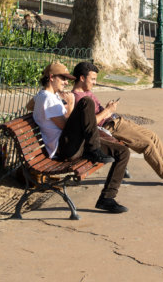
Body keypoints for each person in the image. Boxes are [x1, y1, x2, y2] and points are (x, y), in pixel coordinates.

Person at [71, 61, 163, 187]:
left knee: (153, 136)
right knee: (146, 145)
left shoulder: (86, 92)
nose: (95, 82)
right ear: (82, 78)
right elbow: (90, 123)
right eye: (92, 79)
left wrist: (108, 109)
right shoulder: (77, 98)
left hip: (117, 121)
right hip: (110, 128)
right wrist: (108, 110)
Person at [31, 62, 130, 213]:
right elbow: (66, 126)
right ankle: (94, 148)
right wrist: (70, 105)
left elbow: (29, 106)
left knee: (123, 152)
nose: (66, 82)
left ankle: (107, 199)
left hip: (75, 143)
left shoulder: (46, 96)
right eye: (63, 78)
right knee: (86, 102)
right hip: (64, 148)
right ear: (51, 77)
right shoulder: (47, 98)